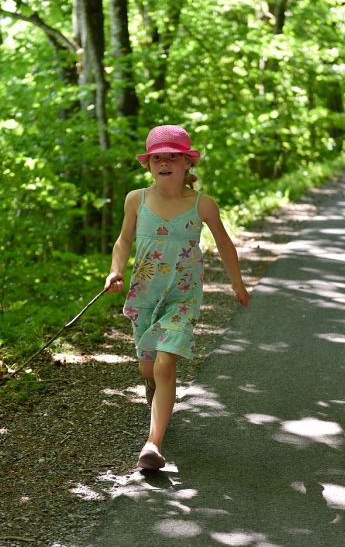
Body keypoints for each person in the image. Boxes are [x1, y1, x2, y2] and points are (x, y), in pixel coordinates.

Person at [105, 125, 249, 471]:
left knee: (166, 365)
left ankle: (153, 444)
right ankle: (155, 396)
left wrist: (237, 284)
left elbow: (226, 245)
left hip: (182, 297)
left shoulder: (202, 205)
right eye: (158, 157)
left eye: (173, 156)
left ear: (187, 163)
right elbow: (123, 240)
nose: (164, 162)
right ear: (149, 164)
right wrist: (115, 270)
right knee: (149, 368)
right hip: (145, 296)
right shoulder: (136, 199)